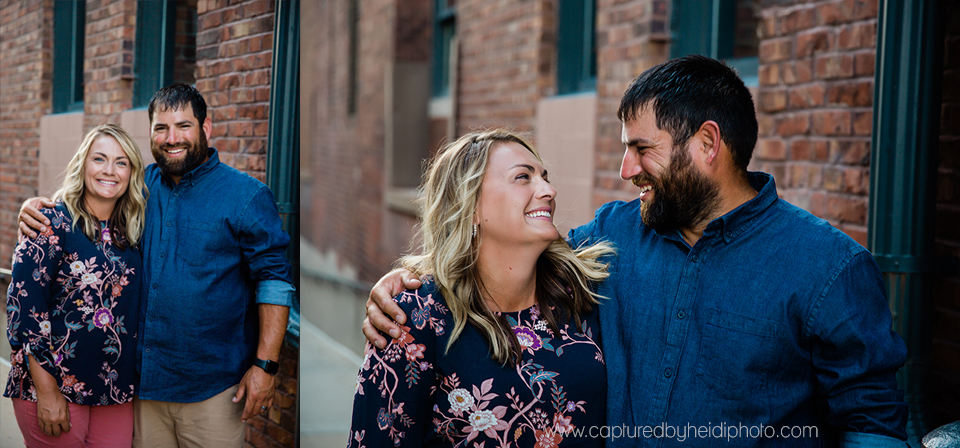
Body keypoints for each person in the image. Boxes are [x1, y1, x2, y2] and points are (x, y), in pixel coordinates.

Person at [363, 56, 909, 447]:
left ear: (707, 145)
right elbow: (506, 254)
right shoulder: (612, 235)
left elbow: (871, 425)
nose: (625, 171)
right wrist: (413, 278)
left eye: (640, 149)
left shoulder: (828, 269)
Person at [19, 83, 295, 448]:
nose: (172, 138)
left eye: (183, 126)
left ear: (205, 128)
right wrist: (38, 206)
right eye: (161, 128)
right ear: (150, 133)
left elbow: (274, 280)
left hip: (212, 389)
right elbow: (88, 202)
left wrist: (265, 366)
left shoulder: (246, 196)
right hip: (143, 386)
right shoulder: (139, 186)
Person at [349, 129, 615, 447]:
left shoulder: (578, 293)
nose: (549, 189)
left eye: (544, 177)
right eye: (523, 177)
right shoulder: (414, 318)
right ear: (472, 205)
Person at [5, 124, 147, 447]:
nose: (109, 170)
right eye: (99, 159)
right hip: (53, 386)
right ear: (83, 164)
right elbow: (25, 314)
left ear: (132, 172)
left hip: (114, 390)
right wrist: (47, 391)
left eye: (121, 162)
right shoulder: (49, 223)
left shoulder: (134, 231)